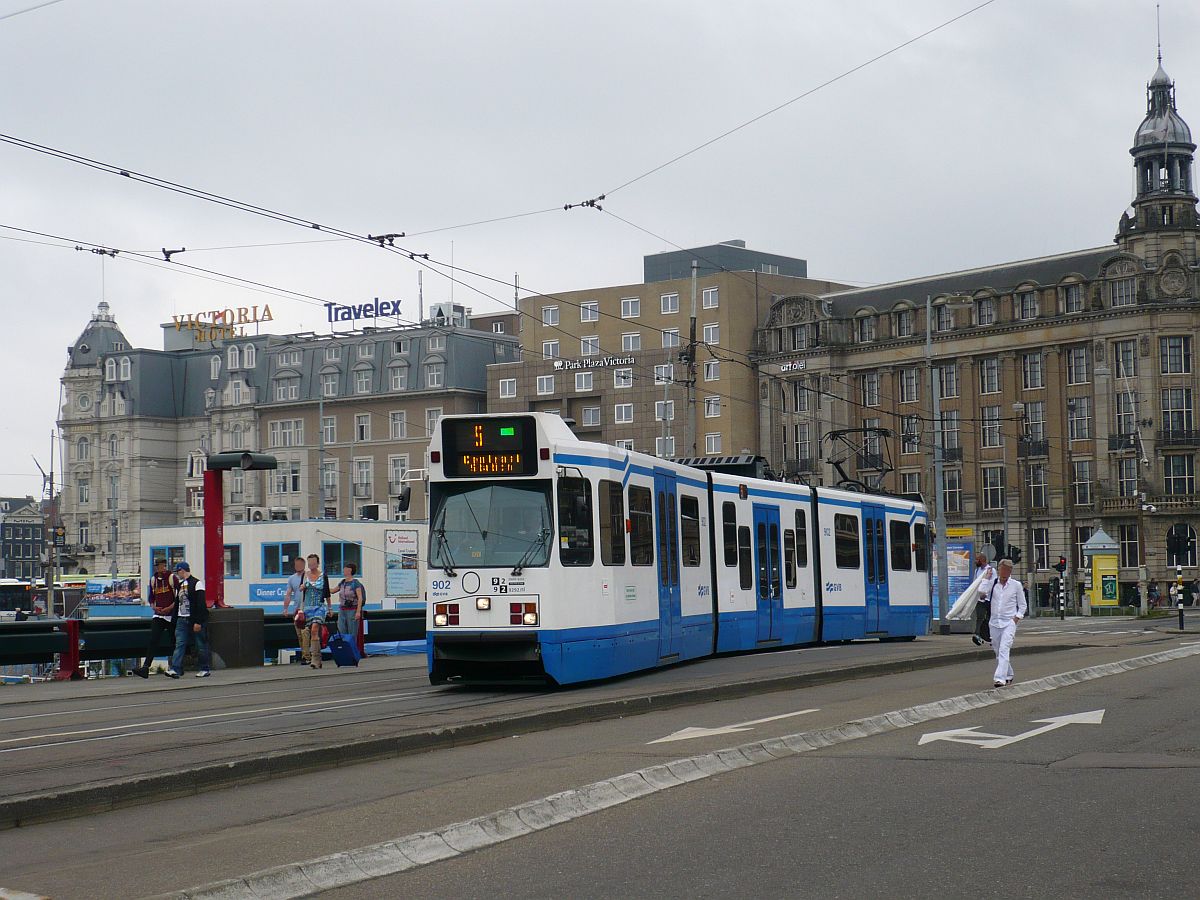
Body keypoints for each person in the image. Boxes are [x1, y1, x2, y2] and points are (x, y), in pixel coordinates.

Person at [132, 558, 177, 678]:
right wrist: (154, 607)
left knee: (173, 640)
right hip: (159, 615)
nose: (160, 568)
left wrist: (170, 607)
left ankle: (174, 667)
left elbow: (178, 597)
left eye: (161, 565)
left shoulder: (172, 578)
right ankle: (146, 667)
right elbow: (151, 597)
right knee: (153, 640)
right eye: (158, 566)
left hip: (171, 615)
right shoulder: (154, 580)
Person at [988, 558, 1026, 688]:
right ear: (998, 570)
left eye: (1007, 570)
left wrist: (1016, 618)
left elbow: (1022, 605)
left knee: (1004, 649)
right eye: (1002, 569)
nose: (1004, 572)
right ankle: (1009, 674)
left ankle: (1000, 679)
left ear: (1010, 572)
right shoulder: (992, 584)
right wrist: (985, 579)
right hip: (994, 622)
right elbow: (981, 595)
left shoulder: (1016, 585)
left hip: (1009, 622)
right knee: (998, 651)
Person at [169, 562, 211, 678]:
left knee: (200, 644)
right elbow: (177, 604)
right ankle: (175, 668)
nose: (177, 574)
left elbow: (201, 604)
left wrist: (198, 621)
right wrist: (175, 619)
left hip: (194, 619)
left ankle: (204, 668)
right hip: (181, 618)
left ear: (182, 570)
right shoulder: (180, 585)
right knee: (180, 644)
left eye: (178, 572)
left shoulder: (197, 583)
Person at [301, 554, 331, 669]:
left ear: (317, 563)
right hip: (308, 607)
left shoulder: (323, 576)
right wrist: (302, 587)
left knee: (314, 629)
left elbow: (327, 592)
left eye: (313, 563)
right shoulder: (305, 575)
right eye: (309, 563)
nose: (311, 565)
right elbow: (301, 589)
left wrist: (329, 607)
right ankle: (316, 658)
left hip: (319, 606)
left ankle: (315, 658)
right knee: (310, 632)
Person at [280, 555, 310, 663]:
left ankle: (306, 656)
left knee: (304, 632)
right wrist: (285, 608)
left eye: (300, 564)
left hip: (306, 608)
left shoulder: (308, 576)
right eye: (296, 564)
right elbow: (288, 594)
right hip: (296, 610)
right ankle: (304, 654)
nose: (297, 566)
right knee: (299, 635)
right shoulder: (291, 578)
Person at [335, 562, 365, 640]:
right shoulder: (342, 582)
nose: (343, 571)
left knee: (352, 633)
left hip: (352, 610)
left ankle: (352, 649)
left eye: (345, 569)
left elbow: (360, 597)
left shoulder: (355, 583)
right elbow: (333, 590)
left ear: (350, 570)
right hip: (342, 610)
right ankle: (344, 649)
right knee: (341, 631)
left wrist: (358, 612)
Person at [971, 553, 996, 647]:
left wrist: (985, 593)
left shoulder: (991, 570)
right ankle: (978, 635)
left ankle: (991, 637)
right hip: (980, 599)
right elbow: (975, 583)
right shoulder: (977, 570)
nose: (975, 561)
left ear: (982, 560)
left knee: (990, 618)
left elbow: (992, 583)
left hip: (990, 599)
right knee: (980, 617)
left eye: (977, 559)